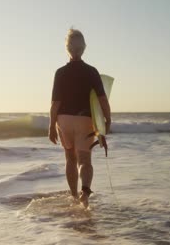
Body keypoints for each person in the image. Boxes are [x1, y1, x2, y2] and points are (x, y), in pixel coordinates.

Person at [48, 28, 111, 208]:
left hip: (64, 120)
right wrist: (107, 120)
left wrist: (51, 126)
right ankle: (85, 192)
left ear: (67, 48)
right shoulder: (92, 72)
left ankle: (74, 196)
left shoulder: (60, 73)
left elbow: (55, 104)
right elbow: (102, 100)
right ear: (84, 48)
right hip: (85, 120)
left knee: (70, 159)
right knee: (85, 160)